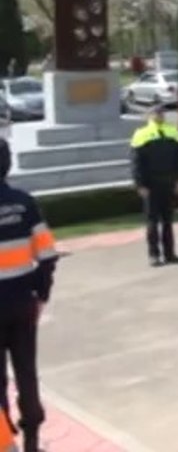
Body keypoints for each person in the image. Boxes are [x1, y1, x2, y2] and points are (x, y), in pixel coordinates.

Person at [0, 139, 57, 452]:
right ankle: (32, 440)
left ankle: (4, 443)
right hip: (22, 300)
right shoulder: (24, 202)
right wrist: (40, 293)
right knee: (26, 372)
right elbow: (47, 253)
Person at [129, 107, 178, 266]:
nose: (159, 116)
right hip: (150, 184)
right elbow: (136, 163)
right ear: (149, 116)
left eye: (161, 113)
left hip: (168, 182)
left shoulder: (172, 132)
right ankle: (154, 255)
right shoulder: (141, 134)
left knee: (168, 220)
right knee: (152, 221)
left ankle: (170, 254)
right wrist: (140, 184)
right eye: (155, 113)